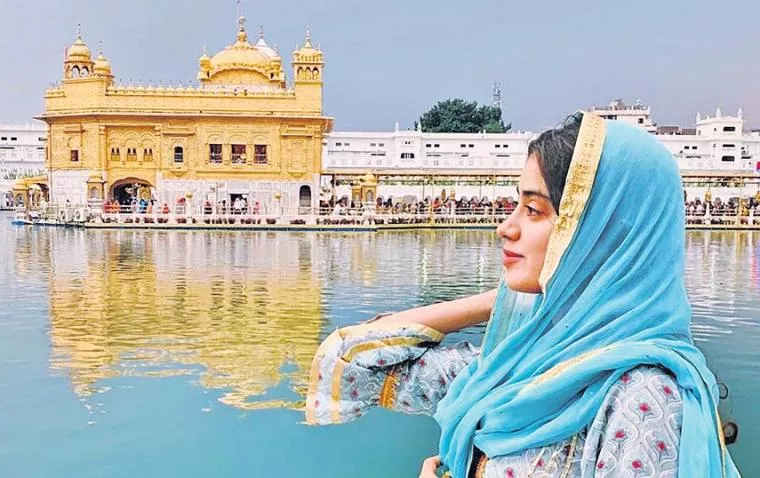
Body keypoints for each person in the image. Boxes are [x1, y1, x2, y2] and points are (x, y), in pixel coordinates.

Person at [305, 112, 740, 477]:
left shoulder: (638, 398)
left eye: (533, 210)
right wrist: (501, 300)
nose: (506, 227)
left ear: (602, 236)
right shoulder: (513, 367)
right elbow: (350, 359)